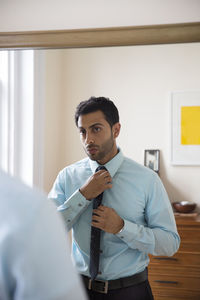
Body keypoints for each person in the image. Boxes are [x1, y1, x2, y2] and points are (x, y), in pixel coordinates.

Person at [49, 96, 180, 300]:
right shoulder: (68, 176)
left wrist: (121, 227)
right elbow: (49, 230)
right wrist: (82, 195)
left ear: (116, 130)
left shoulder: (147, 180)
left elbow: (170, 243)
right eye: (82, 131)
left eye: (96, 129)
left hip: (131, 291)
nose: (88, 139)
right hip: (78, 290)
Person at [0, 169, 86, 300]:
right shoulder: (31, 210)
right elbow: (57, 223)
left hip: (125, 287)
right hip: (81, 279)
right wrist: (82, 196)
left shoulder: (29, 208)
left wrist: (121, 227)